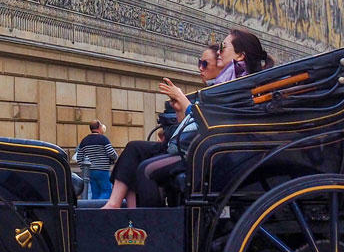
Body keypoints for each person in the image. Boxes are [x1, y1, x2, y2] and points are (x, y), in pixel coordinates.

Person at [103, 30, 273, 209]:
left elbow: (212, 121)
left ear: (240, 55)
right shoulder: (232, 82)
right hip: (211, 151)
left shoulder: (240, 85)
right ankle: (130, 216)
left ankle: (151, 230)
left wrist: (183, 101)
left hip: (221, 157)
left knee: (147, 170)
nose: (219, 52)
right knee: (137, 152)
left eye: (223, 47)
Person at [74, 121, 117, 199]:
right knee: (106, 191)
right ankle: (101, 209)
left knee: (95, 193)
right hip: (102, 170)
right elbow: (111, 153)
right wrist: (113, 159)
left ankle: (95, 209)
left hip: (90, 171)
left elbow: (79, 157)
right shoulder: (103, 139)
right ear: (99, 128)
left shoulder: (85, 140)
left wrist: (84, 169)